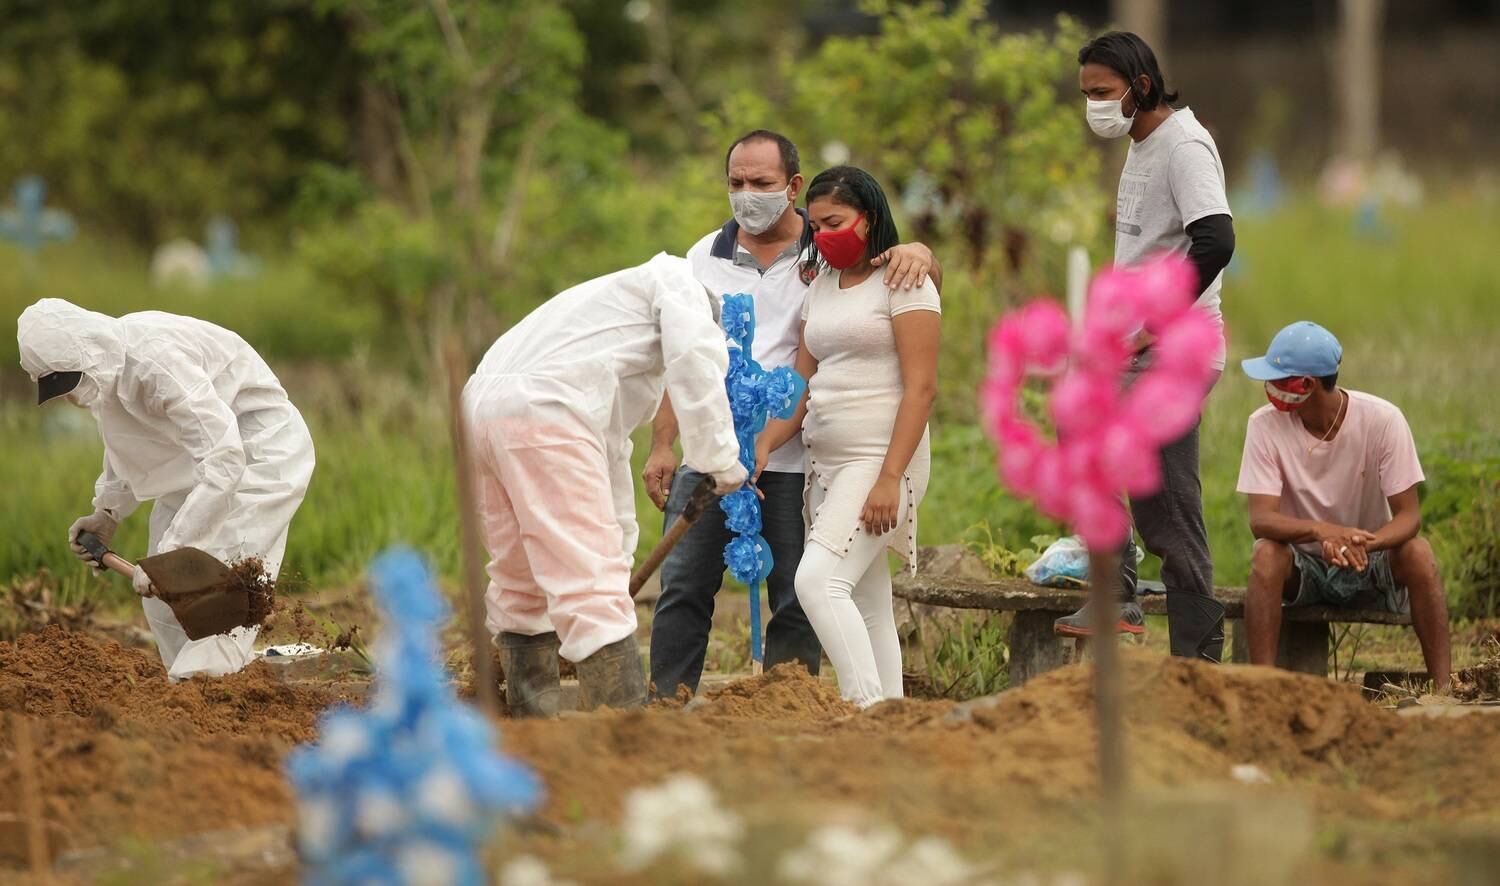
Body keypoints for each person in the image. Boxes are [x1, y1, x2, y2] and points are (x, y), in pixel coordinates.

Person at [645, 130, 941, 698]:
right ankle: (665, 704)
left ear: (793, 186)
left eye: (761, 183)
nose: (747, 194)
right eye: (736, 183)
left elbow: (907, 288)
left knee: (800, 595)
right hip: (715, 448)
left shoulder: (823, 251)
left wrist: (923, 252)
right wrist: (664, 441)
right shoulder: (703, 258)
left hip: (801, 456)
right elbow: (683, 356)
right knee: (683, 584)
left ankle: (791, 704)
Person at [464, 253, 745, 716]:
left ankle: (531, 719)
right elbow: (695, 360)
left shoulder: (603, 320)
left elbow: (609, 451)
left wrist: (618, 556)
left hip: (479, 409)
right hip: (544, 411)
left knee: (519, 577)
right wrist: (720, 461)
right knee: (588, 586)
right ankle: (624, 726)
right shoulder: (679, 285)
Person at [1054, 31, 1236, 661]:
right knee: (1164, 499)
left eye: (1103, 93)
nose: (1093, 107)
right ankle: (1190, 646)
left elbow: (1215, 240)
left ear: (1142, 87)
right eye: (1086, 94)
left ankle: (1122, 593)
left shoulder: (1184, 145)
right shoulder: (1144, 143)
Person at [17, 298, 315, 680]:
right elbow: (125, 443)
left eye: (69, 382)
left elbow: (226, 457)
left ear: (88, 352)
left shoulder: (156, 361)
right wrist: (107, 513)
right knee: (162, 600)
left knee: (219, 585)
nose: (71, 397)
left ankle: (206, 686)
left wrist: (173, 554)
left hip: (259, 453)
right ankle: (198, 685)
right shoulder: (108, 372)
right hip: (196, 463)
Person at [754, 165, 941, 708]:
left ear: (870, 218)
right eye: (814, 226)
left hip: (879, 461)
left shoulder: (905, 281)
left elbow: (922, 389)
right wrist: (766, 442)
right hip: (827, 464)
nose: (822, 235)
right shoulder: (822, 290)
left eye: (834, 221)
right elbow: (802, 386)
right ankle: (894, 715)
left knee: (817, 583)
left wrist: (889, 478)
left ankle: (863, 714)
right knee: (867, 603)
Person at [1236, 321, 1450, 691]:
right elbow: (1261, 519)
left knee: (1418, 553)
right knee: (1265, 556)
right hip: (1305, 564)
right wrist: (1322, 531)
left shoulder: (1382, 420)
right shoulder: (1264, 426)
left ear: (1307, 384)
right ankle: (1263, 688)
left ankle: (1443, 688)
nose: (1267, 388)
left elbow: (1409, 517)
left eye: (1277, 379)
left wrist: (1365, 542)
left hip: (1369, 557)